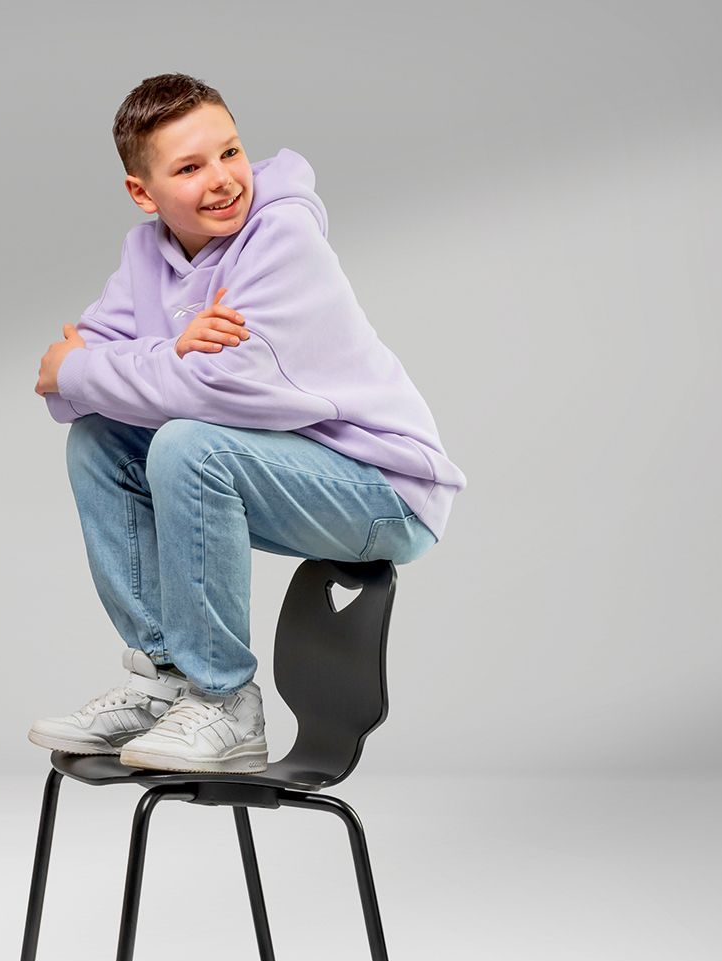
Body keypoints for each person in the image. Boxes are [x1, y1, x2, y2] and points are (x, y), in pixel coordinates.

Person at [27, 73, 466, 774]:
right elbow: (69, 390)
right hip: (281, 472)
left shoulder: (283, 239)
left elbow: (213, 389)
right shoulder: (146, 256)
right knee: (102, 442)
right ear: (144, 193)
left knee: (188, 444)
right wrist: (167, 350)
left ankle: (225, 699)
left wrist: (92, 369)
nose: (224, 180)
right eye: (190, 167)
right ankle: (166, 680)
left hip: (385, 488)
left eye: (230, 152)